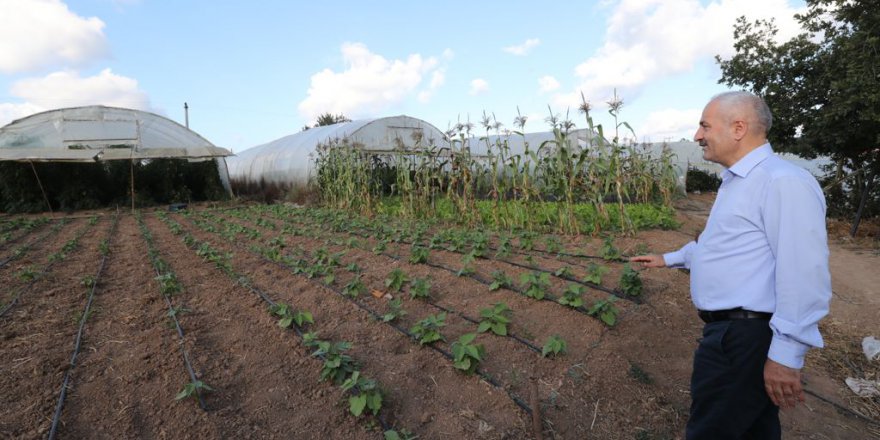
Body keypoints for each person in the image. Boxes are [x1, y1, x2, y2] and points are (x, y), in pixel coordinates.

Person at [630, 91, 831, 439]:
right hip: (734, 335)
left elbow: (803, 273)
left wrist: (786, 355)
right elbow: (722, 246)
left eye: (705, 125)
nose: (697, 135)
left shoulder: (782, 182)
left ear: (738, 128)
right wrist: (669, 259)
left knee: (712, 431)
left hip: (744, 340)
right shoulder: (739, 182)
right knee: (753, 430)